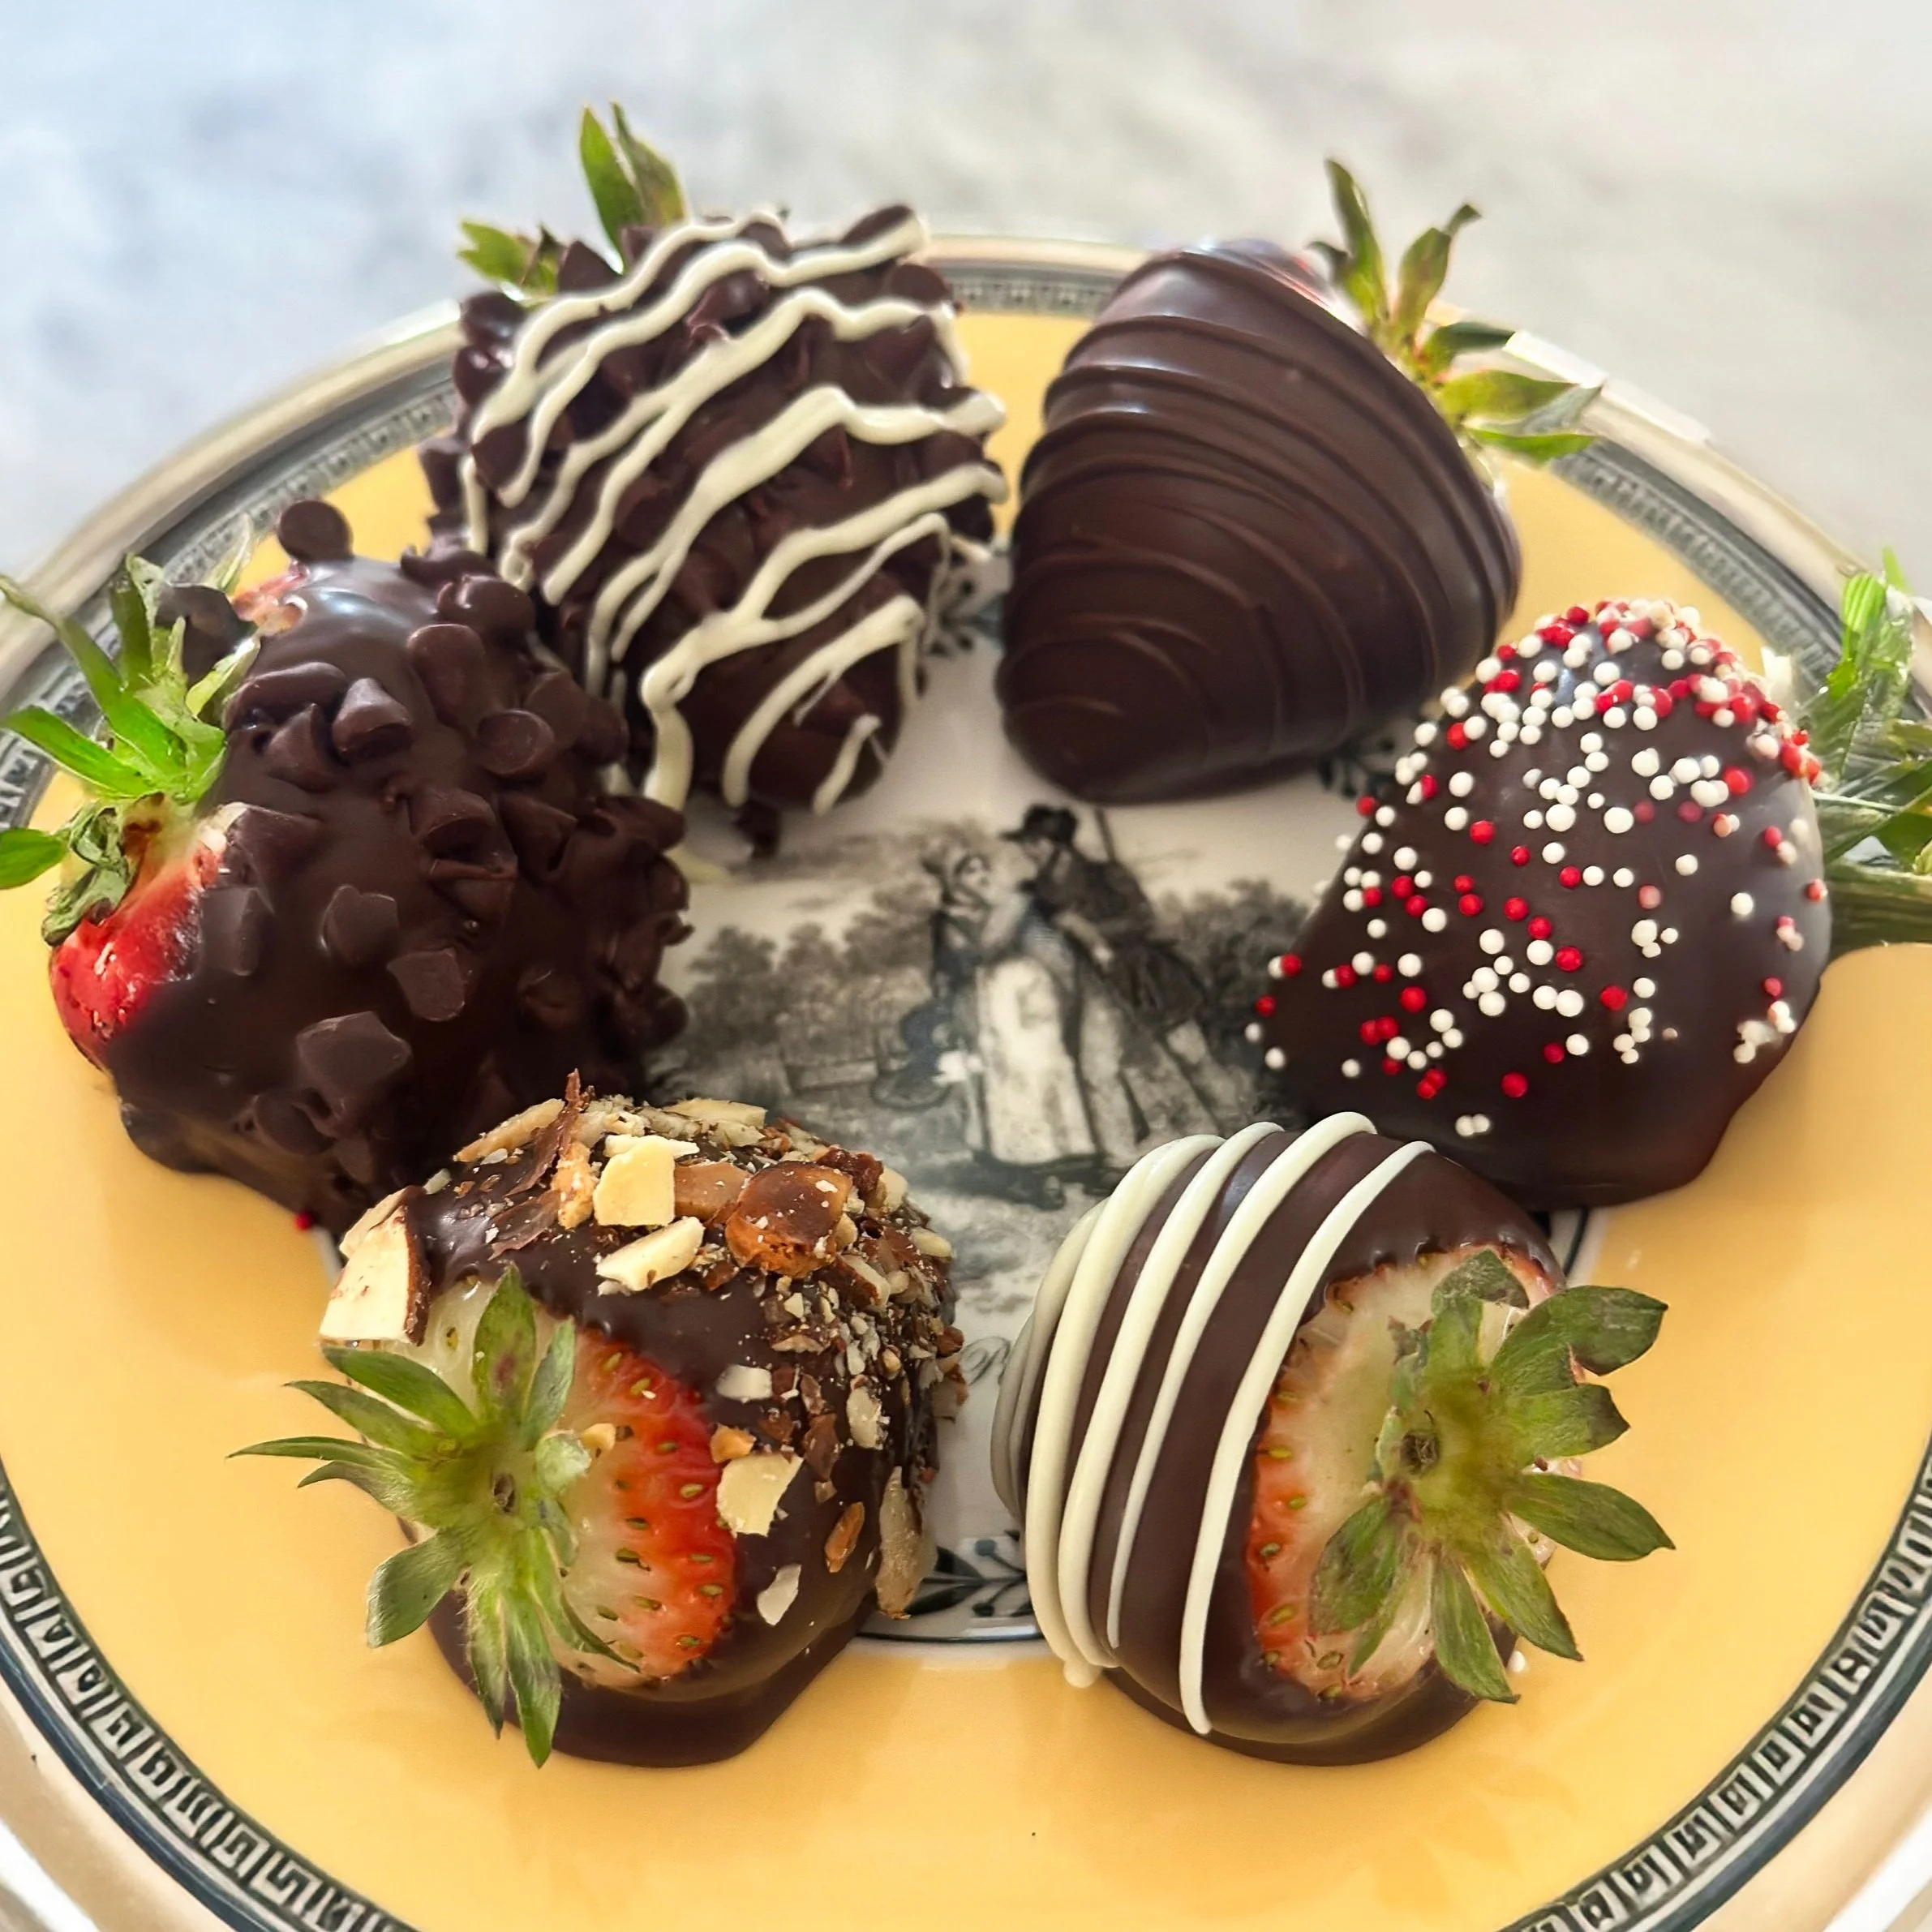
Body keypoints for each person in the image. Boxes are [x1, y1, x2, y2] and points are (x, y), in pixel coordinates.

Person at [1002, 805, 1247, 1175]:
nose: (1028, 850)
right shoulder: (1043, 891)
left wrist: (1092, 931)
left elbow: (1143, 920)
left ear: (1056, 843)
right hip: (1097, 985)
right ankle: (1119, 1160)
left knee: (1191, 1054)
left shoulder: (1106, 876)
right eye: (1027, 843)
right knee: (1097, 1068)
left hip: (1143, 973)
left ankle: (1242, 1132)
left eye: (1034, 841)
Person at [924, 847, 1092, 1206]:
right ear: (954, 881)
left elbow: (1047, 947)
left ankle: (1064, 1158)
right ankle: (1032, 1173)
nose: (980, 876)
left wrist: (1057, 985)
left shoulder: (1014, 906)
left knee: (1043, 1072)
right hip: (986, 1002)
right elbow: (960, 960)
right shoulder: (952, 918)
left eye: (983, 867)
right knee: (1005, 1083)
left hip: (1029, 997)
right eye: (969, 871)